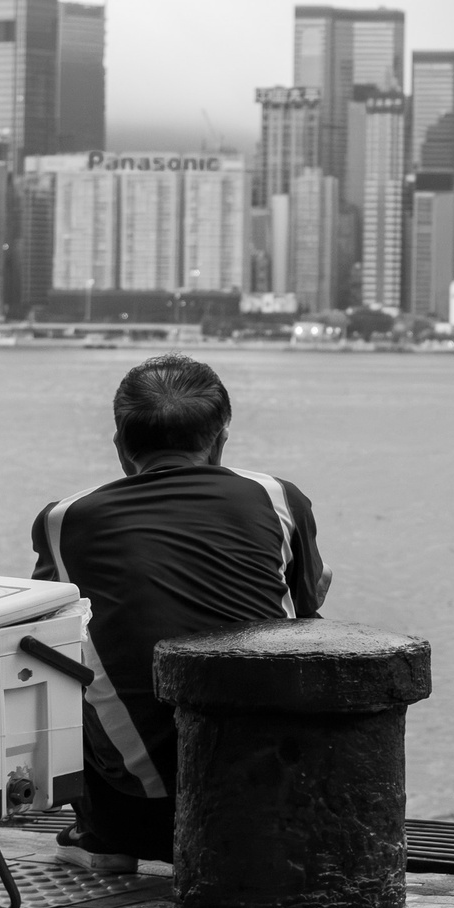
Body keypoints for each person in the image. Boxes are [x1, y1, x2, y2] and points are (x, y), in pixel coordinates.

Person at [31, 353, 327, 871]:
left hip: (140, 818)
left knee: (52, 652)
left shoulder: (65, 518)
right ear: (220, 442)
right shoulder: (277, 497)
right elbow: (304, 607)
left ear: (121, 446)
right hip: (268, 791)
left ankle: (101, 836)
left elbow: (46, 624)